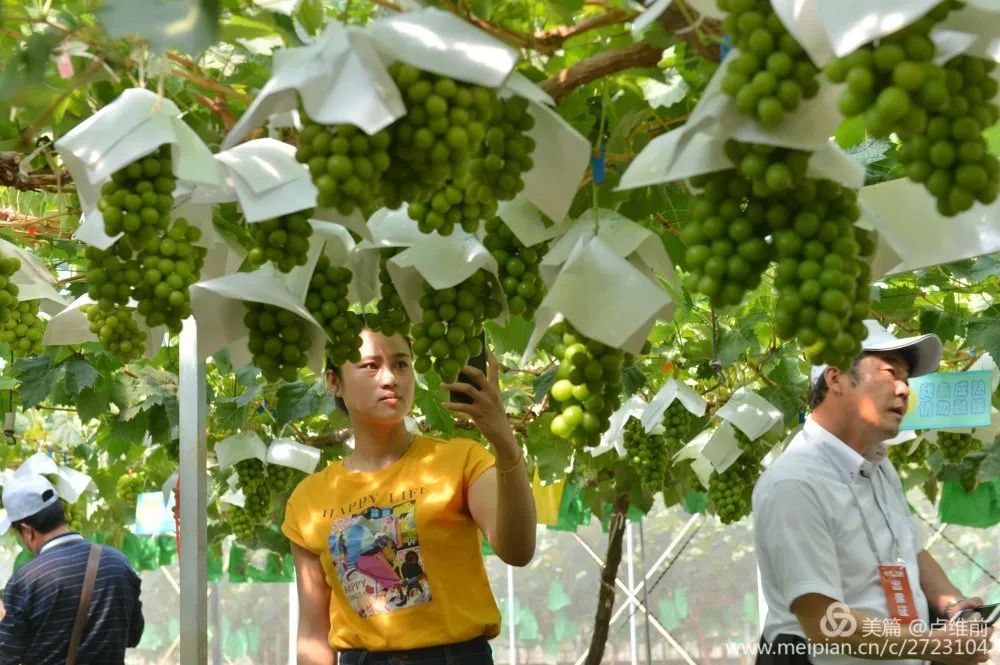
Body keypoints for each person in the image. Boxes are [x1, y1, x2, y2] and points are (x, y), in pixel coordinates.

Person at [283, 326, 537, 665]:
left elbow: (518, 550)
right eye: (370, 366)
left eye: (401, 364)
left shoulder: (462, 460)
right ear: (334, 381)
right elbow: (314, 634)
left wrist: (505, 442)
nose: (390, 378)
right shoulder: (308, 500)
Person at [753, 320, 993, 665]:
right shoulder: (794, 483)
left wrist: (954, 608)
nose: (904, 389)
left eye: (906, 379)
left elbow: (911, 550)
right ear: (835, 378)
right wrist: (933, 645)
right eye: (890, 372)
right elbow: (824, 622)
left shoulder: (880, 465)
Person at [0, 474, 144, 664]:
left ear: (27, 530)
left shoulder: (26, 581)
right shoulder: (118, 563)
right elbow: (134, 635)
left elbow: (6, 655)